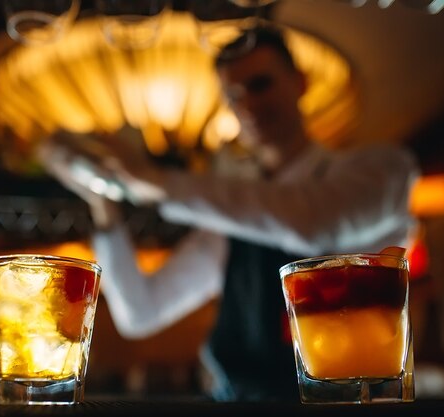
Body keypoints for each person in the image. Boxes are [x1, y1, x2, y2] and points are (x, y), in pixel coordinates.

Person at [38, 27, 420, 401]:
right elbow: (141, 311)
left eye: (260, 84)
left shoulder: (380, 171)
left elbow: (315, 222)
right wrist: (101, 202)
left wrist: (155, 180)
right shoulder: (231, 220)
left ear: (300, 82)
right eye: (233, 96)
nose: (247, 105)